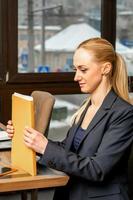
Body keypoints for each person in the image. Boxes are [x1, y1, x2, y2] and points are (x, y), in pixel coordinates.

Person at [7, 37, 133, 200]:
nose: (76, 77)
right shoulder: (87, 106)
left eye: (83, 69)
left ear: (106, 68)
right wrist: (32, 141)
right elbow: (67, 148)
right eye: (75, 69)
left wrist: (45, 147)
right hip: (72, 191)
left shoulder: (124, 113)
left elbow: (97, 169)